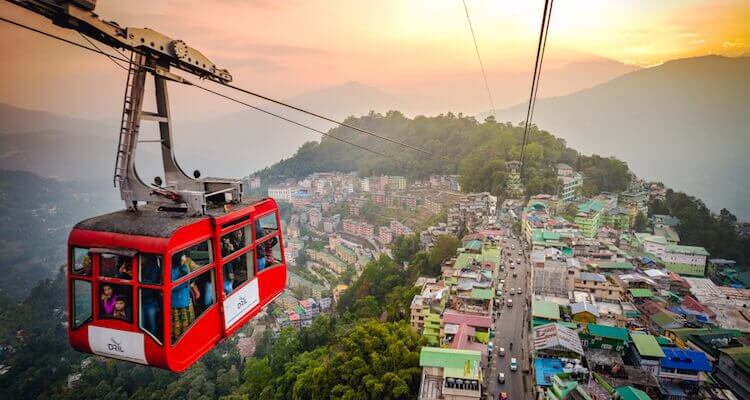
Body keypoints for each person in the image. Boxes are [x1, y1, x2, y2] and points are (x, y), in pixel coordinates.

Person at [171, 255, 199, 341]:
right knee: (182, 326)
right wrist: (187, 283)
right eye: (182, 257)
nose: (184, 259)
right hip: (180, 301)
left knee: (181, 326)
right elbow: (173, 286)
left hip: (180, 301)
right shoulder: (175, 269)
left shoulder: (182, 267)